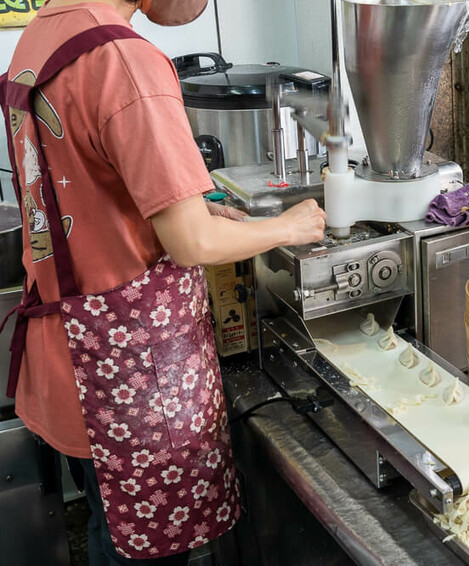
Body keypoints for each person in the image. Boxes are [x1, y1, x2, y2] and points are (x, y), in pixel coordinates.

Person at [0, 0, 326, 564]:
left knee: (110, 533)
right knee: (151, 555)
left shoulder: (43, 35)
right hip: (133, 386)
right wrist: (287, 226)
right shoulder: (124, 58)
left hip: (68, 365)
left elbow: (88, 184)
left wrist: (189, 208)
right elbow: (191, 245)